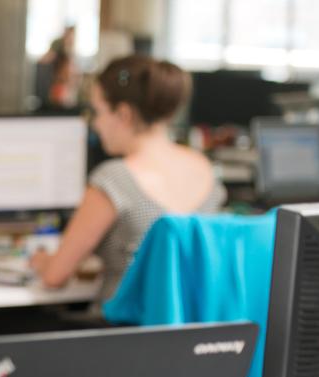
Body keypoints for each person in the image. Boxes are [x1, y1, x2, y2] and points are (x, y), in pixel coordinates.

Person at [31, 55, 225, 303]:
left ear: (123, 114)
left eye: (98, 112)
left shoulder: (115, 179)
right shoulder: (203, 168)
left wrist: (41, 261)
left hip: (121, 334)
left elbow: (55, 276)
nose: (96, 125)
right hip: (189, 332)